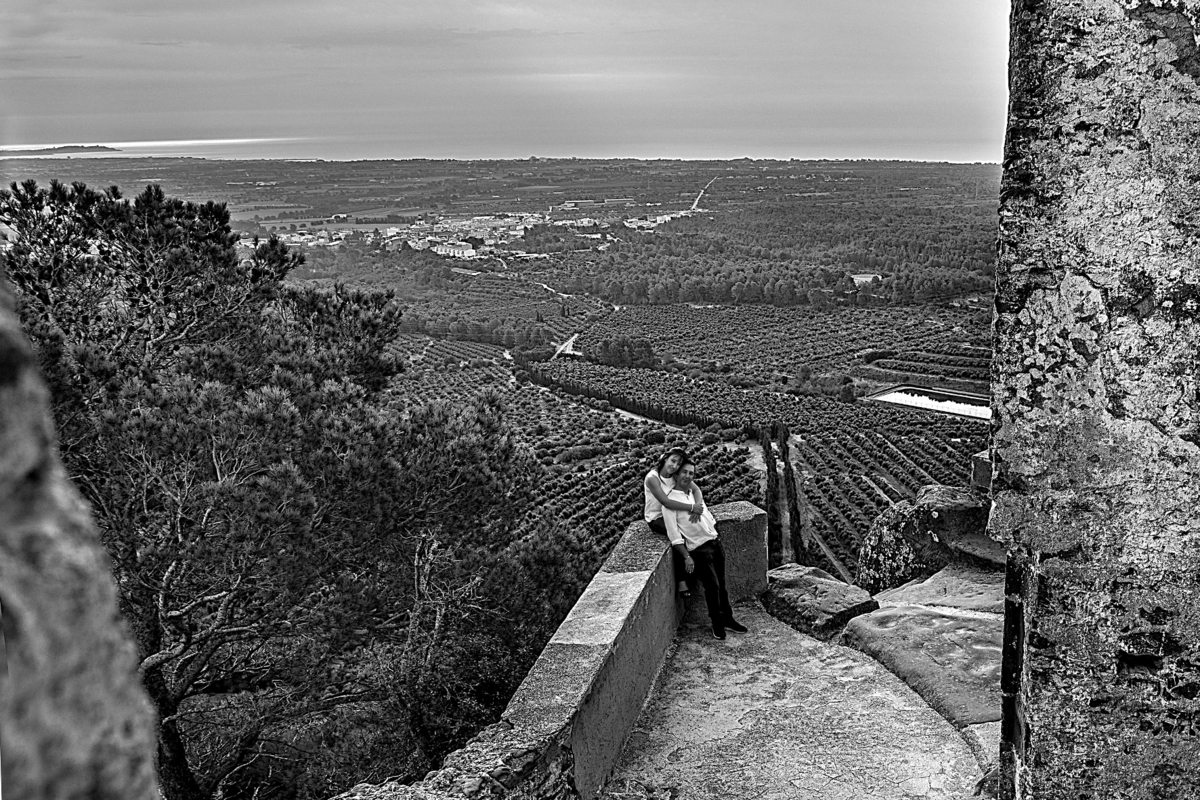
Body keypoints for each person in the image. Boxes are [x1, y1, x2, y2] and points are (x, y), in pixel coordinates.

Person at [661, 456, 748, 640]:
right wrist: (686, 556)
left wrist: (713, 528)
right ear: (676, 473)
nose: (687, 476)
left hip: (715, 542)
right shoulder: (669, 503)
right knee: (712, 587)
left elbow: (706, 513)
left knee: (722, 584)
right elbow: (674, 535)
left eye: (691, 473)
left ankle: (728, 619)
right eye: (684, 472)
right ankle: (717, 624)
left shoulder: (692, 493)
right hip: (698, 549)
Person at [644, 447, 704, 597]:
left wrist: (699, 506)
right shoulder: (653, 478)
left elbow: (697, 491)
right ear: (665, 458)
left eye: (678, 464)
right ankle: (682, 581)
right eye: (673, 461)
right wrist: (692, 507)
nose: (675, 466)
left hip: (674, 514)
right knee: (677, 537)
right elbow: (666, 502)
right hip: (656, 517)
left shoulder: (674, 476)